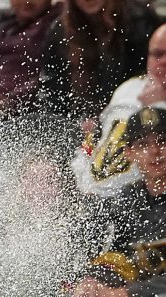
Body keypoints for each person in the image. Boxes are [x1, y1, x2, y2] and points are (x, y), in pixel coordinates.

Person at [72, 105, 166, 297]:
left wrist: (125, 294)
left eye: (162, 141)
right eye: (143, 144)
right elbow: (117, 256)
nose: (155, 151)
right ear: (129, 153)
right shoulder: (129, 199)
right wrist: (92, 282)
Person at [73, 22, 166, 195]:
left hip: (143, 202)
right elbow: (92, 141)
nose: (163, 62)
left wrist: (159, 104)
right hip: (89, 195)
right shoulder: (128, 88)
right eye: (157, 55)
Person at [40, 0, 150, 134]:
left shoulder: (140, 21)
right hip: (79, 124)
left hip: (129, 116)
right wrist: (68, 125)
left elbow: (140, 81)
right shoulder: (60, 29)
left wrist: (102, 118)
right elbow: (53, 89)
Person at [0, 0, 60, 115]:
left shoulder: (53, 26)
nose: (27, 1)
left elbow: (48, 80)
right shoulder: (6, 24)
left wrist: (9, 100)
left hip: (27, 115)